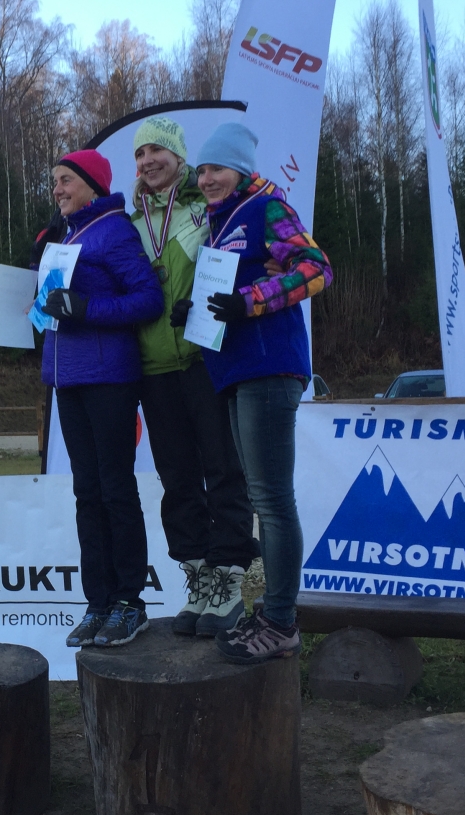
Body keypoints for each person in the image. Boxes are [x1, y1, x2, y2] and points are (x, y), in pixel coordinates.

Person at [172, 123, 331, 664]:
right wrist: (193, 310)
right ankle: (270, 616)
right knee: (264, 498)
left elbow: (316, 269)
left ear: (240, 170)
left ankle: (281, 622)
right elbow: (227, 292)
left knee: (272, 502)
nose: (206, 178)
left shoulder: (267, 208)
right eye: (201, 170)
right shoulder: (218, 225)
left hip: (269, 367)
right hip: (235, 371)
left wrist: (251, 300)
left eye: (216, 168)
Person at [129, 117, 260, 638]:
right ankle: (200, 578)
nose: (148, 161)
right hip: (153, 366)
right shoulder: (130, 220)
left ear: (180, 157)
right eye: (140, 154)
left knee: (224, 470)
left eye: (157, 151)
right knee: (177, 479)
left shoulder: (206, 210)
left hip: (206, 360)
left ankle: (230, 580)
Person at [34, 149, 164, 648]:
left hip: (109, 377)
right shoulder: (67, 235)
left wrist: (86, 307)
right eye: (54, 181)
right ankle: (99, 601)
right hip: (67, 380)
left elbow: (147, 299)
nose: (57, 189)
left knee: (115, 489)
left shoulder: (114, 230)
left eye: (65, 180)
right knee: (86, 493)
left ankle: (130, 602)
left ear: (92, 183)